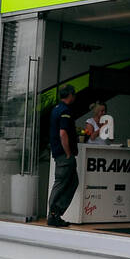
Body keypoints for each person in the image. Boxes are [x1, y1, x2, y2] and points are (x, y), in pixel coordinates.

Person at [45, 84, 79, 227]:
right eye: (74, 94)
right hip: (64, 155)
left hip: (59, 152)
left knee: (72, 182)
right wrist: (68, 153)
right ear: (70, 95)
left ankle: (56, 213)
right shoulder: (65, 111)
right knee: (61, 183)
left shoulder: (56, 109)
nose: (75, 97)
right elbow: (63, 133)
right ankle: (53, 214)